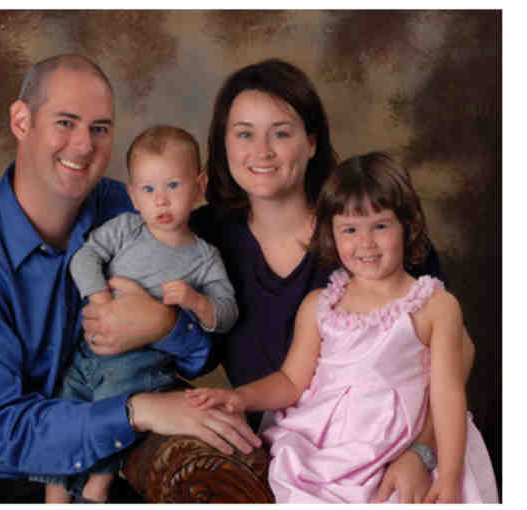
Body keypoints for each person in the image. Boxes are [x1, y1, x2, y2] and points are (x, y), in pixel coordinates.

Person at [83, 58, 478, 503]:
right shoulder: (199, 235)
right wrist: (157, 322)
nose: (262, 151)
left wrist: (421, 452)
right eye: (244, 133)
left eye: (282, 133)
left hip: (392, 444)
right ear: (223, 144)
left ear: (311, 142)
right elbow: (195, 357)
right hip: (292, 451)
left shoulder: (364, 234)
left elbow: (457, 353)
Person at [0, 55, 260, 503]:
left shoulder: (127, 211)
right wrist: (138, 411)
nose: (83, 146)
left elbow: (199, 358)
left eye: (100, 128)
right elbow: (5, 433)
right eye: (65, 122)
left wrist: (164, 324)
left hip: (82, 441)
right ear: (22, 121)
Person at [187, 152, 498, 503]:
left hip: (397, 447)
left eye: (380, 226)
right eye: (350, 229)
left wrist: (450, 475)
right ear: (330, 234)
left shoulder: (435, 306)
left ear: (407, 226)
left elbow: (447, 396)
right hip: (325, 447)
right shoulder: (319, 305)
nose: (366, 243)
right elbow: (291, 381)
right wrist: (240, 397)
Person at [33, 124, 239, 503]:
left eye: (173, 186)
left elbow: (227, 312)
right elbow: (85, 257)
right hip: (85, 353)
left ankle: (98, 488)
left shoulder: (204, 257)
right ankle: (55, 496)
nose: (161, 201)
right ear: (133, 196)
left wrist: (196, 301)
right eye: (148, 189)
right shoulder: (127, 228)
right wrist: (100, 299)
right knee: (63, 417)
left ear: (199, 186)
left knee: (109, 416)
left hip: (139, 365)